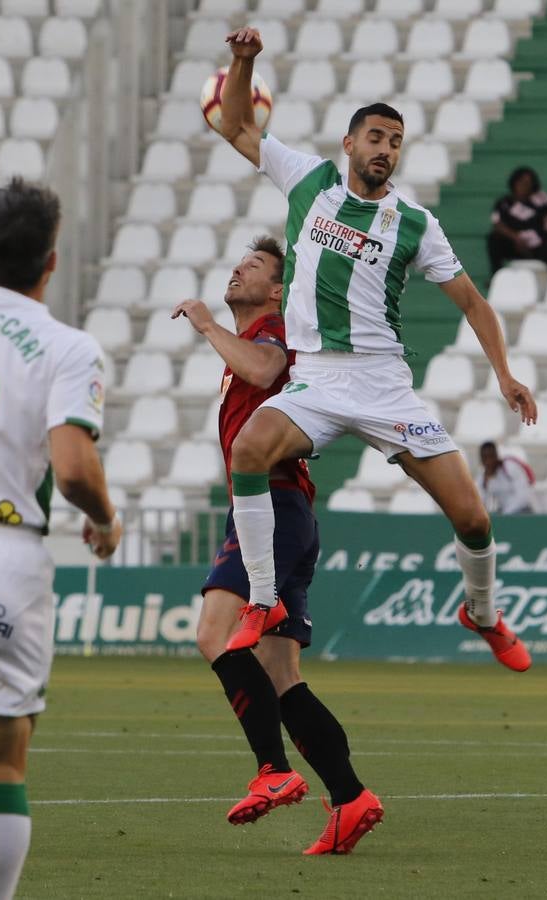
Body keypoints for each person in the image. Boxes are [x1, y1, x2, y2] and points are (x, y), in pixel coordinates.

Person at [217, 27, 537, 678]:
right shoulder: (307, 180)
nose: (384, 149)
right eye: (375, 137)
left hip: (383, 386)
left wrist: (503, 373)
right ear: (349, 144)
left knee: (472, 516)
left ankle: (480, 612)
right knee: (249, 450)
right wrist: (242, 62)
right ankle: (260, 600)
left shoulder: (414, 224)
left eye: (394, 142)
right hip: (317, 380)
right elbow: (235, 126)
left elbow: (472, 303)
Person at [171, 236, 383, 855]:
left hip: (273, 511)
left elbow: (265, 370)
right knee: (281, 675)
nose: (238, 269)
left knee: (215, 635)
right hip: (287, 514)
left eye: (254, 266)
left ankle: (274, 770)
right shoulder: (256, 338)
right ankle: (350, 799)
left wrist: (208, 325)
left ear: (278, 289)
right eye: (238, 263)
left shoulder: (275, 332)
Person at [0, 177, 122, 900]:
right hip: (1, 558)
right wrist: (106, 517)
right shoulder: (67, 347)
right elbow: (74, 467)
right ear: (51, 261)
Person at [487, 166, 547, 274]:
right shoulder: (504, 203)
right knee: (494, 239)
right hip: (517, 245)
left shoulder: (542, 199)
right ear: (514, 183)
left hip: (541, 245)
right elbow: (497, 224)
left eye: (529, 183)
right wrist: (515, 238)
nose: (525, 186)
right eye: (522, 182)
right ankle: (496, 276)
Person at [476, 442, 536, 515]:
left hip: (522, 511)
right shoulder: (482, 477)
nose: (488, 461)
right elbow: (481, 502)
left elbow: (523, 495)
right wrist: (485, 485)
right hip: (504, 512)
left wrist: (506, 513)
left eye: (491, 456)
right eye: (485, 458)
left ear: (497, 456)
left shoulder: (510, 468)